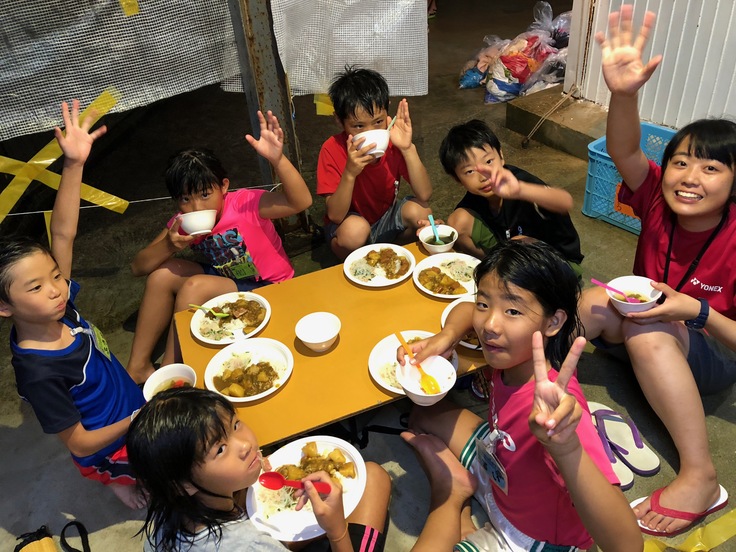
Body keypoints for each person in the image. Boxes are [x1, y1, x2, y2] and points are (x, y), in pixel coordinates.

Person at [577, 5, 735, 536]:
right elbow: (622, 149)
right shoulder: (656, 201)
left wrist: (696, 310)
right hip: (644, 320)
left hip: (708, 352)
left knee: (647, 336)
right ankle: (539, 391)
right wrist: (624, 92)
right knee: (587, 304)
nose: (689, 177)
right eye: (681, 162)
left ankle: (701, 477)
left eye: (711, 167)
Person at [398, 241, 642, 551]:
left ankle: (452, 494)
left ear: (553, 322)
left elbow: (628, 546)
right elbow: (463, 308)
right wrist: (445, 338)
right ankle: (467, 501)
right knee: (422, 414)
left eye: (513, 310)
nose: (489, 325)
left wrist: (565, 448)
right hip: (502, 467)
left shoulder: (558, 410)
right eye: (484, 304)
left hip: (530, 537)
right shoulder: (512, 354)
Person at [0, 100, 146, 509]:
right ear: (4, 307)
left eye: (54, 276)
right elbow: (79, 441)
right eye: (35, 287)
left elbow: (62, 234)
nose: (55, 289)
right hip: (107, 443)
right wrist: (135, 422)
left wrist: (74, 164)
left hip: (130, 406)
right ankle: (116, 481)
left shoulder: (57, 305)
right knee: (136, 474)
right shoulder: (37, 371)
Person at [127, 110, 312, 383]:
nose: (196, 207)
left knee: (194, 287)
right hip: (226, 280)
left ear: (224, 186)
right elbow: (137, 267)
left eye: (204, 195)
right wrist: (169, 244)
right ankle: (138, 367)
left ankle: (171, 371)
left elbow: (301, 202)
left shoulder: (246, 204)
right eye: (186, 199)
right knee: (161, 274)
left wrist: (277, 159)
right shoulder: (182, 222)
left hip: (271, 286)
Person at [127, 386, 391, 551]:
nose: (244, 444)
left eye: (235, 425)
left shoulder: (165, 516)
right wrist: (337, 531)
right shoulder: (251, 546)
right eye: (219, 449)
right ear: (182, 483)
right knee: (375, 478)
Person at [436, 119, 583, 277]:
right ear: (457, 179)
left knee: (518, 242)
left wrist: (520, 190)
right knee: (457, 223)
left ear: (501, 156)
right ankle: (495, 270)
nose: (483, 176)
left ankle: (510, 276)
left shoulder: (518, 182)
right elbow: (456, 228)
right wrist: (440, 232)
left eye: (488, 161)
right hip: (512, 250)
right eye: (470, 171)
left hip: (559, 261)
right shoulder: (475, 196)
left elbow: (565, 201)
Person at [316, 65, 433, 260]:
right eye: (358, 126)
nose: (370, 131)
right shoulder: (331, 149)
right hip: (348, 225)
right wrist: (350, 173)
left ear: (387, 111)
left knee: (422, 211)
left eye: (378, 122)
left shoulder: (393, 141)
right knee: (355, 231)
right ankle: (354, 260)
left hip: (384, 219)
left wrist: (407, 148)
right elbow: (335, 215)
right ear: (339, 120)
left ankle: (387, 253)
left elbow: (425, 193)